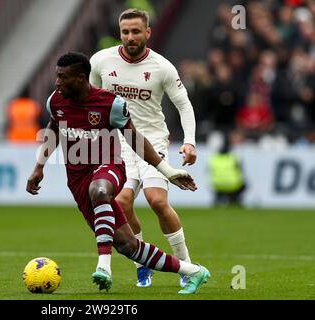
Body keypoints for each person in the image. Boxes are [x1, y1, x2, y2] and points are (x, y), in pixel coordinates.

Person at [26, 51, 210, 294]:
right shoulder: (56, 101)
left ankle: (104, 267)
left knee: (99, 189)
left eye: (63, 77)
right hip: (78, 181)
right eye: (57, 76)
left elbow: (135, 139)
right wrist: (39, 166)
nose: (57, 82)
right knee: (127, 245)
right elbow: (53, 128)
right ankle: (194, 272)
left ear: (81, 78)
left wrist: (167, 171)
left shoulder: (110, 104)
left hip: (109, 164)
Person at [90, 9, 197, 288]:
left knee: (157, 201)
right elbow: (89, 101)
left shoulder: (162, 67)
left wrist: (189, 141)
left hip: (152, 142)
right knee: (122, 204)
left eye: (136, 31)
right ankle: (143, 266)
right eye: (125, 32)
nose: (130, 37)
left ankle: (187, 266)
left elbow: (184, 105)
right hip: (119, 144)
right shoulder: (101, 61)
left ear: (147, 33)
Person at [208, 134, 246, 206]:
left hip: (217, 185)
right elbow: (241, 171)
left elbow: (209, 171)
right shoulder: (233, 158)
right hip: (233, 185)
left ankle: (218, 200)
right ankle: (235, 200)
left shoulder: (213, 159)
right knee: (244, 185)